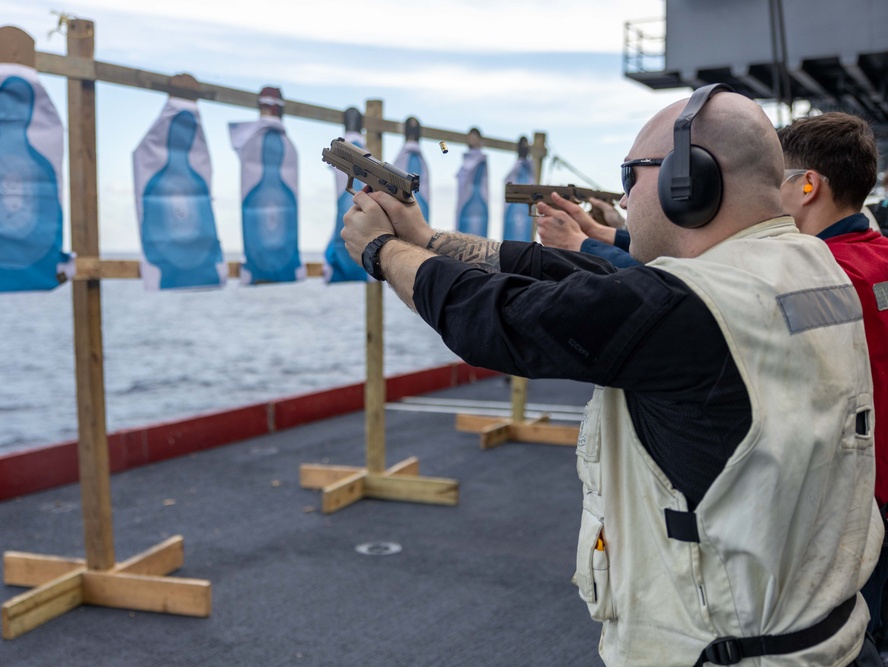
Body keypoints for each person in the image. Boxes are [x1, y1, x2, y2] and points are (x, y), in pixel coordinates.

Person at [342, 86, 884, 666]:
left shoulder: (703, 305)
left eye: (632, 175)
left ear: (689, 179)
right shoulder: (812, 264)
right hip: (829, 638)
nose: (625, 196)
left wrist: (383, 251)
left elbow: (505, 321)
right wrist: (429, 241)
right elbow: (583, 278)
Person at [777, 111, 888, 648]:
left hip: (861, 499)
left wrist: (592, 246)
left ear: (807, 185)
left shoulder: (820, 274)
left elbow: (713, 299)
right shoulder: (876, 255)